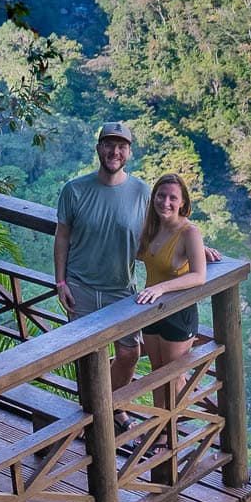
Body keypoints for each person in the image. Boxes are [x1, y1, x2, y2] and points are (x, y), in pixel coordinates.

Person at [54, 121, 147, 435]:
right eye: (109, 144)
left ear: (129, 152)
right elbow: (62, 237)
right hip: (79, 287)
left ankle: (107, 406)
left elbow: (166, 231)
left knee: (129, 353)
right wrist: (60, 282)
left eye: (121, 146)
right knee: (86, 358)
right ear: (99, 149)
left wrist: (198, 246)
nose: (115, 152)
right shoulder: (75, 190)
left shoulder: (141, 192)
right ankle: (102, 414)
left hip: (121, 289)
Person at [134, 173, 208, 453]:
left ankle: (172, 432)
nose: (166, 202)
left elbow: (199, 276)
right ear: (154, 198)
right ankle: (159, 427)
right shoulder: (151, 228)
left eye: (172, 197)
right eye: (161, 195)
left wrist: (163, 288)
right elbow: (141, 254)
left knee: (174, 376)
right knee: (157, 373)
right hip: (152, 310)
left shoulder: (189, 232)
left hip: (178, 313)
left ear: (183, 202)